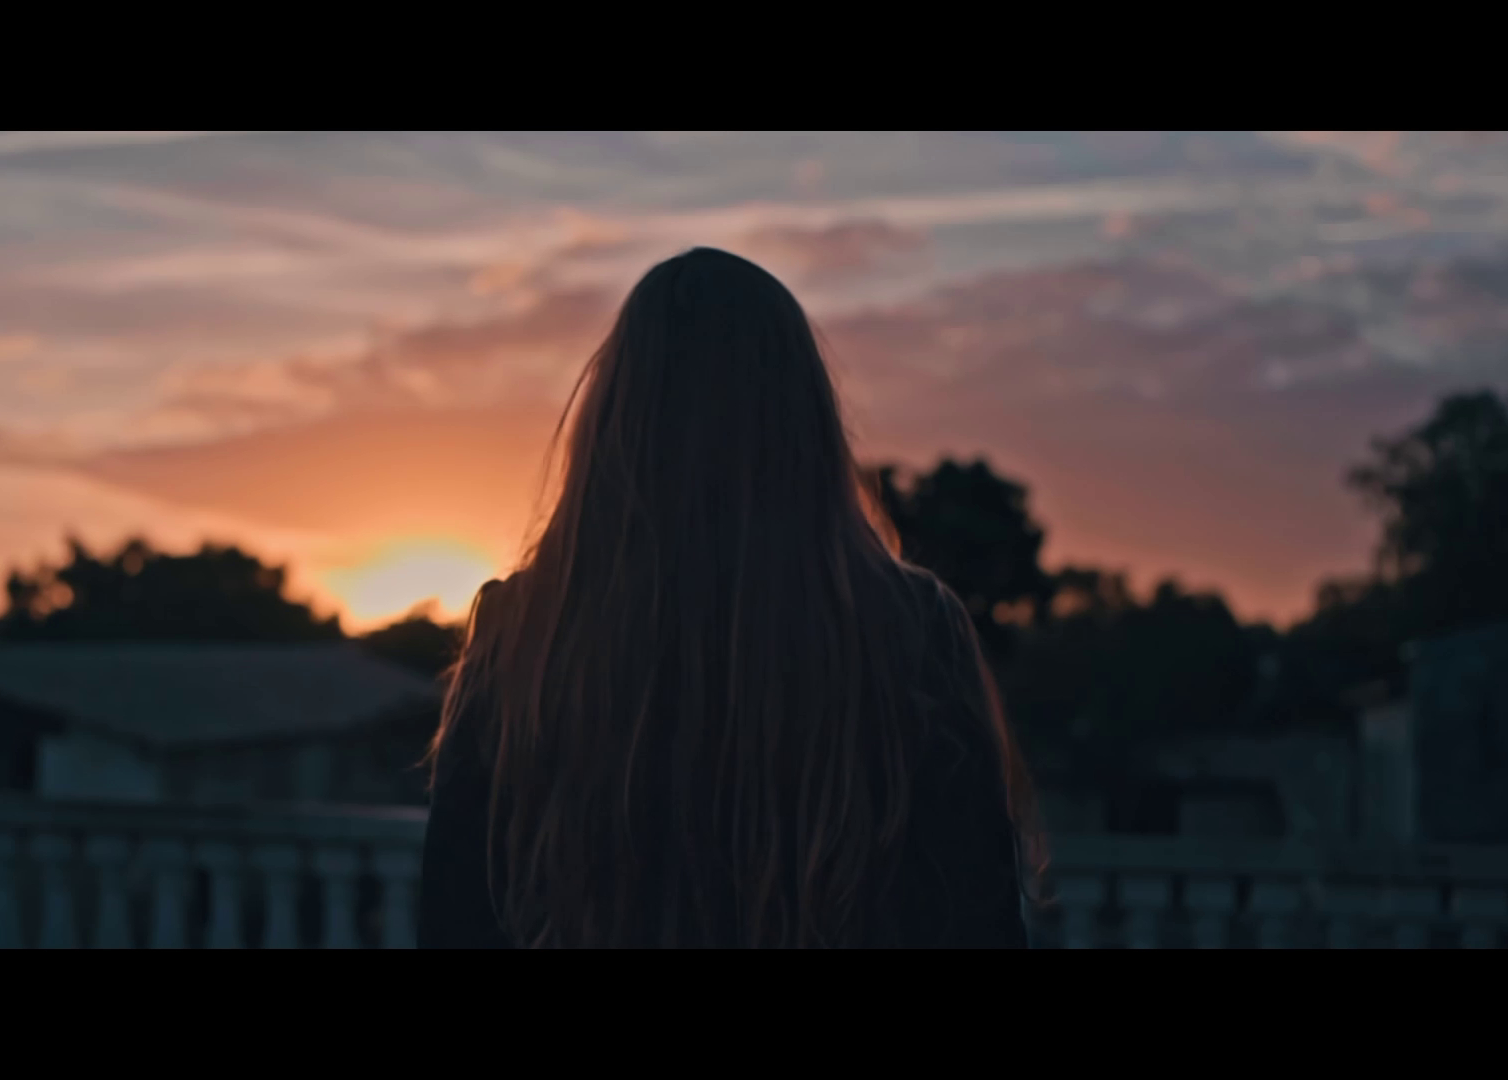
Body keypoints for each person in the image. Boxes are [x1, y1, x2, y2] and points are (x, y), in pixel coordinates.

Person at [418, 247, 1041, 948]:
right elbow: (979, 921)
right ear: (802, 419)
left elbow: (455, 917)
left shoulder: (528, 632)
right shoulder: (913, 629)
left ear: (618, 417)